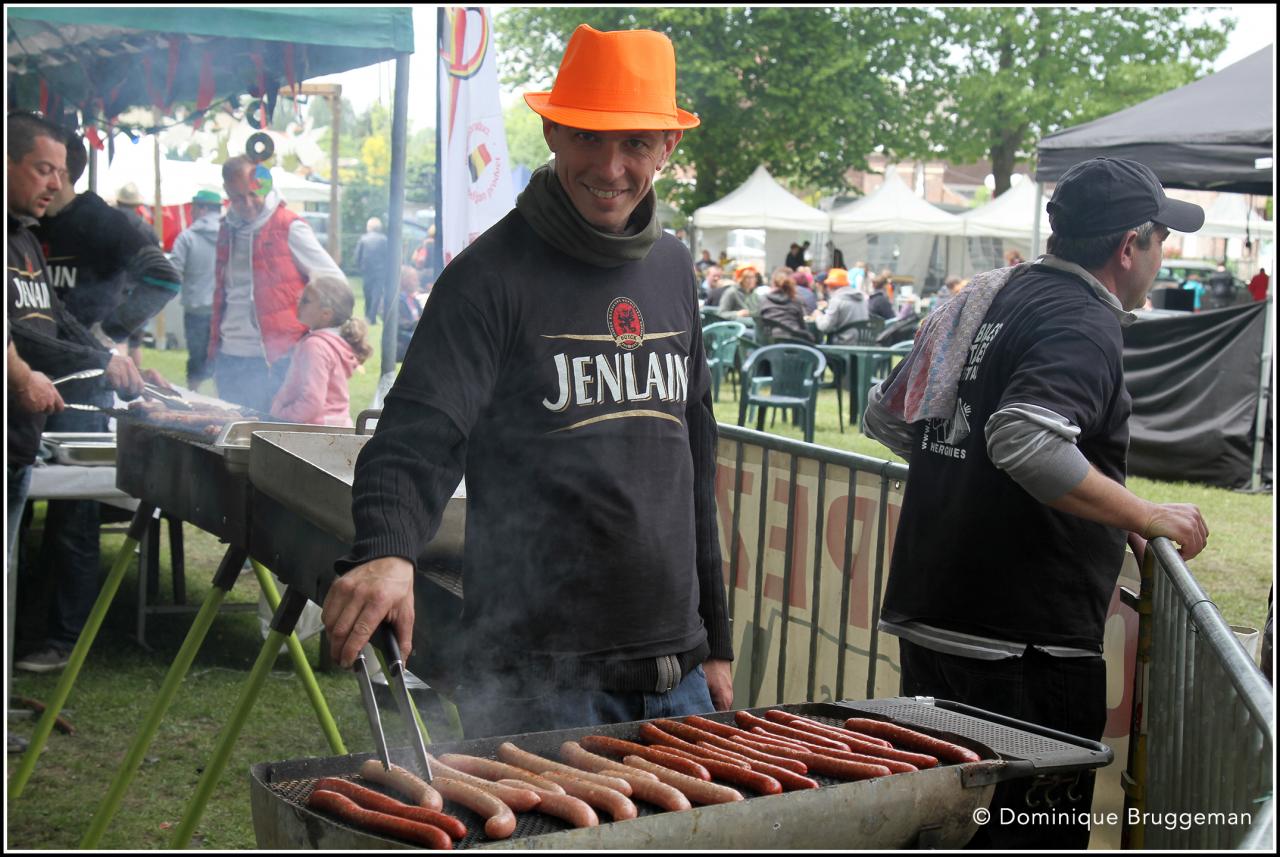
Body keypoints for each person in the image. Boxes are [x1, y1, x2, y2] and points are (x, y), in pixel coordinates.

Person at [319, 24, 732, 739]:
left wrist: (716, 639)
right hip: (540, 684)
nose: (610, 166)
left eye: (635, 141)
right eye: (587, 137)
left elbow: (694, 458)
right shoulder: (489, 278)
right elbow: (418, 434)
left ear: (669, 147)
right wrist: (387, 550)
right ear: (550, 132)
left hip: (680, 676)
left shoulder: (674, 268)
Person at [863, 157, 1209, 849]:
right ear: (1128, 246)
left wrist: (971, 480)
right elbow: (1023, 437)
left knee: (940, 830)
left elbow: (888, 417)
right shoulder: (1083, 321)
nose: (1164, 256)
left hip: (937, 617)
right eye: (1162, 240)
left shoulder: (987, 293)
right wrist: (1142, 515)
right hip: (1018, 647)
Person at [20, 128, 176, 675]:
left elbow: (163, 275)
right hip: (33, 377)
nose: (51, 183)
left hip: (81, 381)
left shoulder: (105, 222)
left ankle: (64, 638)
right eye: (43, 169)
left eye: (56, 171)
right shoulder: (22, 231)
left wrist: (107, 337)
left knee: (74, 516)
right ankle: (29, 624)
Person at [208, 155, 345, 413]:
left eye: (252, 194)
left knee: (267, 438)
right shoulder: (226, 229)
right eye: (237, 197)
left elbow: (334, 282)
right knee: (229, 437)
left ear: (264, 186)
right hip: (230, 356)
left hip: (279, 359)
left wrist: (312, 333)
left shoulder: (288, 227)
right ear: (227, 193)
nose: (247, 204)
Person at [269, 275, 371, 427]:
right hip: (334, 428)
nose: (298, 303)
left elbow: (312, 401)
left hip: (315, 432)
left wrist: (280, 417)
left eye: (306, 301)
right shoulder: (332, 341)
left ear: (326, 314)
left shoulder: (315, 346)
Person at [169, 190, 223, 388]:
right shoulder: (232, 236)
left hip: (196, 309)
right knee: (223, 360)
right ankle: (225, 404)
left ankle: (193, 398)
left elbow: (173, 271)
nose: (191, 212)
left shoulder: (187, 238)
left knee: (196, 359)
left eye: (193, 208)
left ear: (202, 208)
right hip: (225, 311)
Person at [758, 267, 815, 344]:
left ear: (773, 283)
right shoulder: (796, 300)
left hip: (770, 343)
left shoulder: (763, 300)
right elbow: (802, 325)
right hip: (794, 341)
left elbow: (759, 325)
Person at [813, 267, 870, 344]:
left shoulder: (837, 300)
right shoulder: (862, 299)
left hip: (842, 344)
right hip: (862, 343)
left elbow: (825, 327)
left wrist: (818, 315)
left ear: (830, 286)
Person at [353, 216, 390, 324]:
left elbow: (357, 255)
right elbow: (388, 255)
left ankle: (368, 315)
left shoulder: (363, 239)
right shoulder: (384, 239)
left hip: (367, 270)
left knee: (367, 292)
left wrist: (359, 266)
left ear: (369, 227)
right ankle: (371, 317)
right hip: (380, 270)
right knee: (377, 294)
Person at [395, 265, 424, 362]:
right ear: (404, 281)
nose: (417, 282)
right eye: (414, 279)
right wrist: (416, 324)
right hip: (403, 340)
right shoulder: (396, 301)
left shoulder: (414, 300)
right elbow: (399, 323)